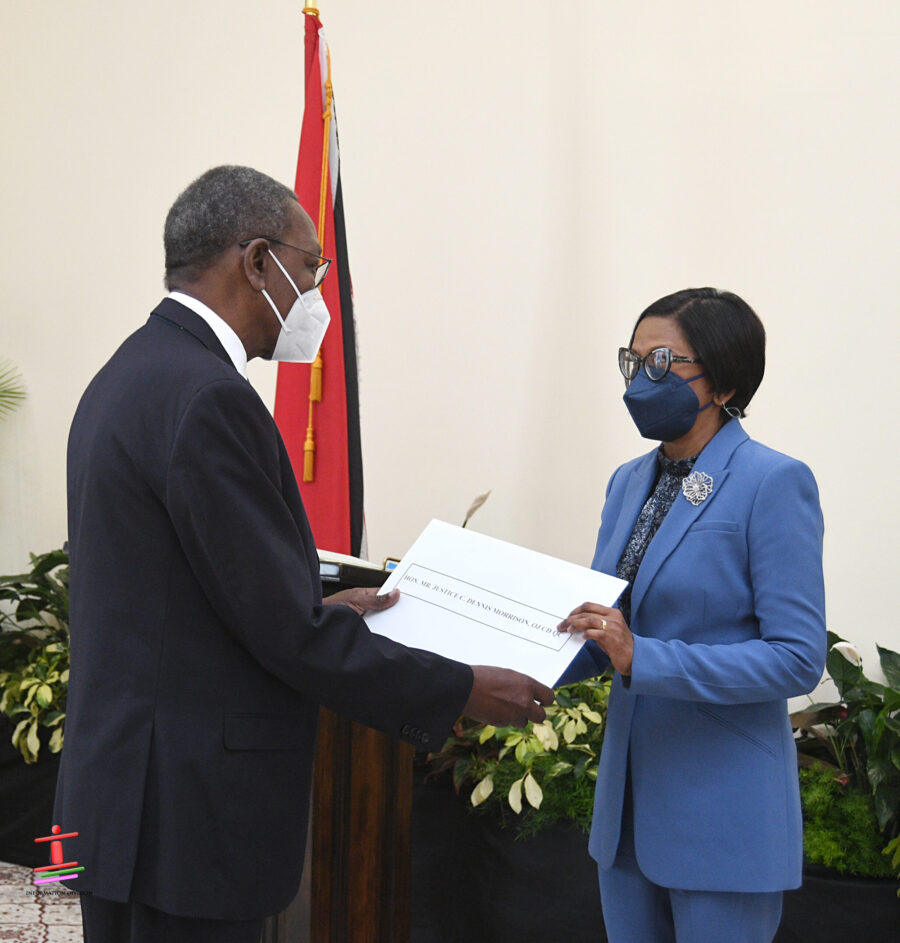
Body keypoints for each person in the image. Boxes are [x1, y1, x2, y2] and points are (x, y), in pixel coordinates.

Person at [54, 165, 553, 943]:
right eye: (312, 266)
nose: (317, 293)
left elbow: (172, 596)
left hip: (114, 804)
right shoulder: (208, 396)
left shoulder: (124, 375)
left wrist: (311, 602)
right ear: (256, 262)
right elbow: (284, 635)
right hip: (188, 820)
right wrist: (460, 687)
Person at [557, 288, 826, 943]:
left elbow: (796, 657)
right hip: (624, 821)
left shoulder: (773, 481)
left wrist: (642, 656)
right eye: (633, 362)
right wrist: (497, 650)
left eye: (661, 363)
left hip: (723, 822)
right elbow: (607, 631)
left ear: (724, 378)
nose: (640, 379)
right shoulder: (627, 480)